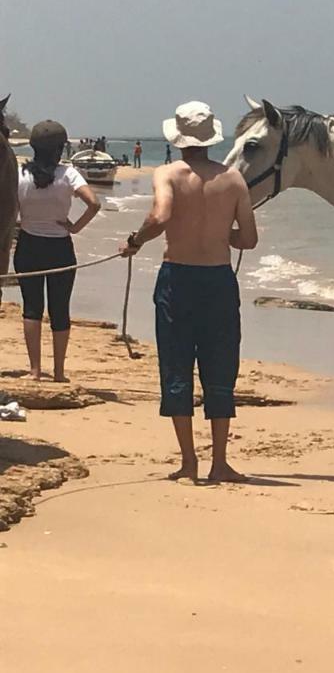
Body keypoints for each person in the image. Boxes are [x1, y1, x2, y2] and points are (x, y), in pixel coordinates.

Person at [120, 102, 257, 483]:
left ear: (178, 139)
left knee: (177, 365)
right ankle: (220, 462)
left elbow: (161, 217)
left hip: (178, 278)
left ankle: (189, 462)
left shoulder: (168, 172)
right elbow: (248, 238)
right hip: (218, 279)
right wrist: (218, 233)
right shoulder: (233, 179)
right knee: (220, 367)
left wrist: (135, 240)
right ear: (211, 137)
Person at [14, 120, 101, 381]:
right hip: (60, 247)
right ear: (61, 148)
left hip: (28, 245)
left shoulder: (20, 175)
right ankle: (60, 372)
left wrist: (21, 222)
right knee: (60, 308)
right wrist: (75, 227)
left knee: (32, 307)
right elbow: (94, 203)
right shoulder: (69, 174)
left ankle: (34, 370)